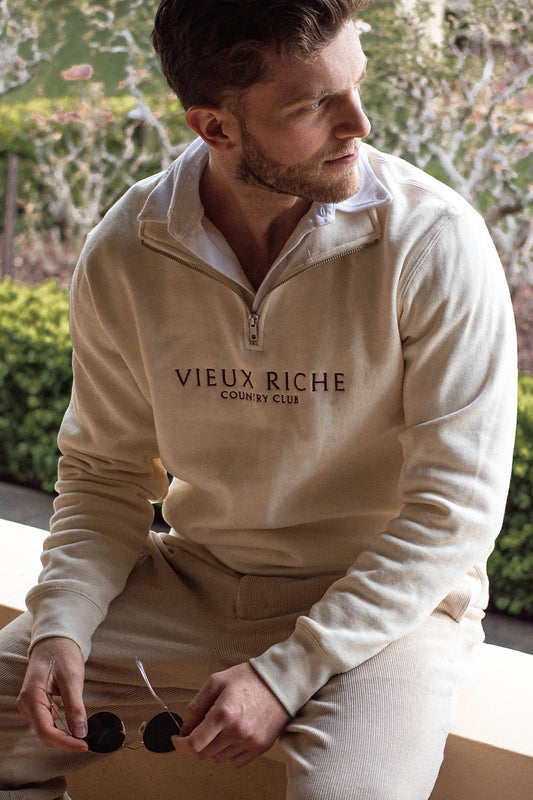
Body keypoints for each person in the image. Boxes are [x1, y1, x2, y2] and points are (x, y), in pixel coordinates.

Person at [0, 0, 517, 798]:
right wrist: (61, 623)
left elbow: (451, 513)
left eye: (355, 84)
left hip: (384, 614)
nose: (360, 122)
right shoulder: (128, 247)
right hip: (195, 580)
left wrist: (287, 673)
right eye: (315, 105)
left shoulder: (434, 242)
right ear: (214, 128)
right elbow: (104, 472)